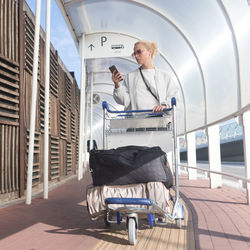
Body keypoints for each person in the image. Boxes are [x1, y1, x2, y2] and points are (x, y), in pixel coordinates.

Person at [112, 40, 179, 113]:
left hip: (159, 120)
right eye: (134, 54)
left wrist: (164, 106)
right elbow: (125, 101)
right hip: (138, 121)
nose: (136, 56)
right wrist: (117, 85)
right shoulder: (130, 77)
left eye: (139, 52)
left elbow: (174, 97)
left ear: (149, 52)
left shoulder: (165, 77)